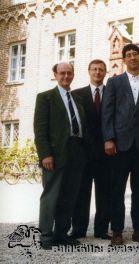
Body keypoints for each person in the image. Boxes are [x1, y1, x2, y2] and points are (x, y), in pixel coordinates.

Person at [102, 44, 139, 245]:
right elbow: (107, 112)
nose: (133, 57)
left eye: (136, 54)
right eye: (129, 55)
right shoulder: (114, 82)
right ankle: (117, 231)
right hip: (119, 145)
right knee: (117, 189)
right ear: (124, 60)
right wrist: (108, 138)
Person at [34, 62, 86, 249]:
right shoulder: (45, 98)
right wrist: (45, 154)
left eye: (69, 73)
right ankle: (46, 236)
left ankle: (61, 234)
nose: (66, 76)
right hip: (55, 154)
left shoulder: (77, 99)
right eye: (62, 73)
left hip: (77, 151)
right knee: (51, 195)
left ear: (73, 74)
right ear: (55, 74)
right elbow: (40, 130)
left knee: (69, 195)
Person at [70, 59, 111, 240]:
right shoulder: (77, 94)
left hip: (106, 154)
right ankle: (78, 229)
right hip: (84, 154)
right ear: (88, 71)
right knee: (81, 193)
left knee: (104, 193)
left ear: (105, 72)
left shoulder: (112, 93)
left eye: (101, 70)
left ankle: (101, 230)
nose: (97, 72)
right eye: (94, 69)